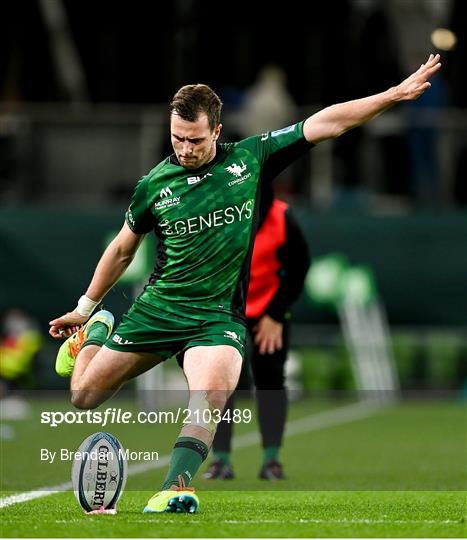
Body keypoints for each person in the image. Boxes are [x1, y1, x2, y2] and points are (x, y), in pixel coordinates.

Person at [49, 53, 441, 514]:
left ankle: (176, 487)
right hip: (160, 308)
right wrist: (87, 308)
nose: (184, 149)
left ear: (216, 131)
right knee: (83, 396)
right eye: (177, 138)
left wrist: (393, 95)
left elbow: (327, 123)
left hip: (216, 318)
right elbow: (121, 250)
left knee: (211, 396)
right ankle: (97, 334)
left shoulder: (251, 159)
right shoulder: (155, 184)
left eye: (194, 140)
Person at [203, 186, 310, 481]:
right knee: (220, 383)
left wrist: (276, 314)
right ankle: (220, 461)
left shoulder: (282, 217)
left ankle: (272, 460)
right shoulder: (216, 213)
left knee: (271, 379)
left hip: (268, 311)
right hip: (225, 309)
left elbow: (299, 268)